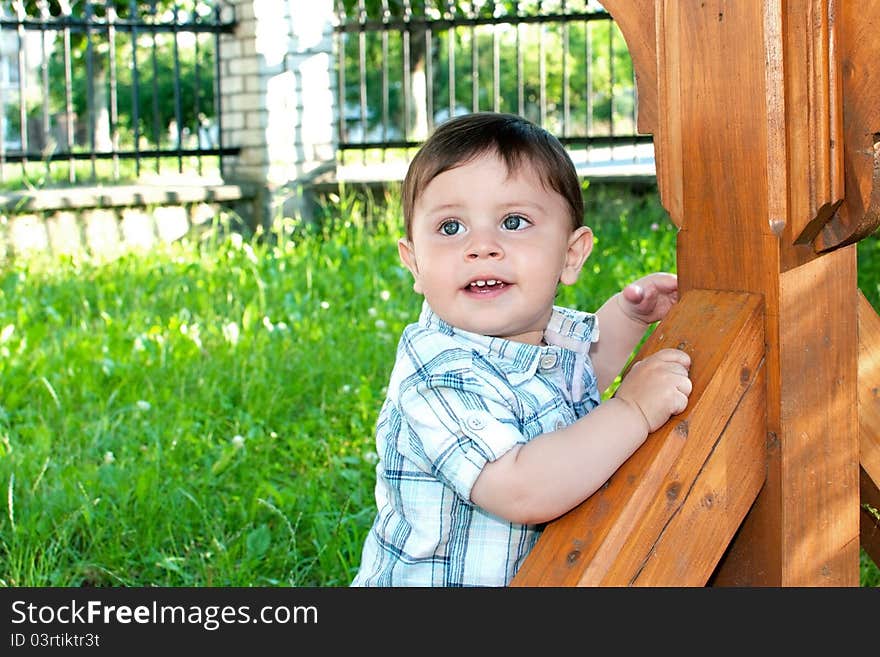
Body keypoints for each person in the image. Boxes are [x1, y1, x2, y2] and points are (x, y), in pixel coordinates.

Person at [351, 112, 692, 587]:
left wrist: (629, 318)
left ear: (570, 255)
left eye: (513, 222)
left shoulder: (542, 337)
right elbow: (521, 489)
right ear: (414, 262)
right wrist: (632, 410)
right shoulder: (438, 375)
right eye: (451, 228)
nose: (482, 246)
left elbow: (577, 380)